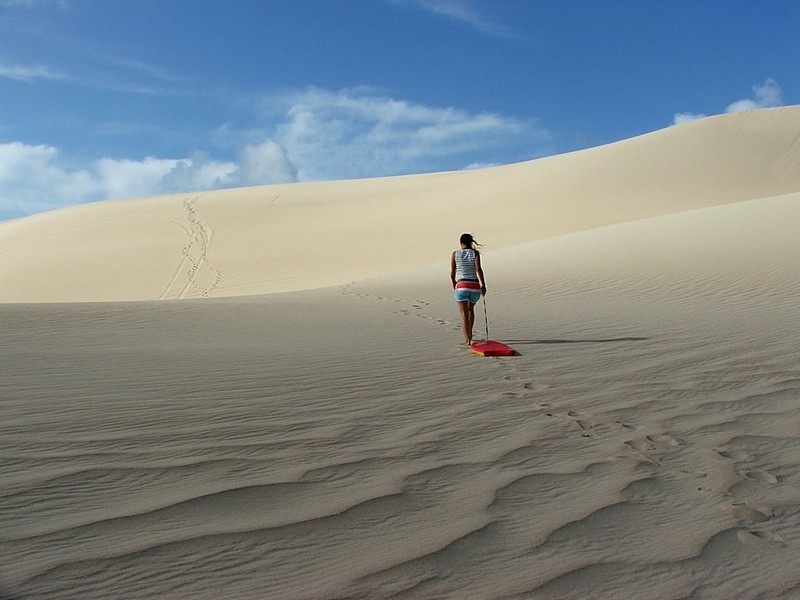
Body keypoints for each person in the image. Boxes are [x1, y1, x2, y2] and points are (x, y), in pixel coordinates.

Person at [450, 233, 487, 345]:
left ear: (461, 243)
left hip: (461, 286)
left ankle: (468, 339)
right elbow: (478, 269)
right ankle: (470, 333)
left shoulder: (455, 254)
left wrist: (454, 283)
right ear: (471, 242)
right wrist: (483, 285)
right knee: (470, 309)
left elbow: (452, 272)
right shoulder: (475, 253)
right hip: (475, 286)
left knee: (464, 314)